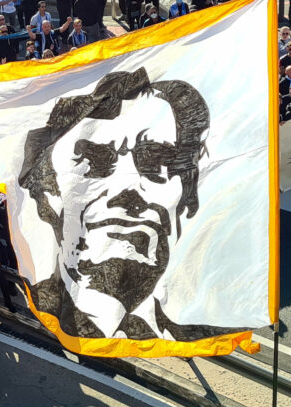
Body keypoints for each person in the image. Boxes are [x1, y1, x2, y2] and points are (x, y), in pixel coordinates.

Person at [18, 67, 244, 342]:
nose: (128, 191)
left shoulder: (206, 327)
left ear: (189, 195)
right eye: (94, 165)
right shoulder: (44, 304)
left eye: (156, 163)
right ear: (47, 195)